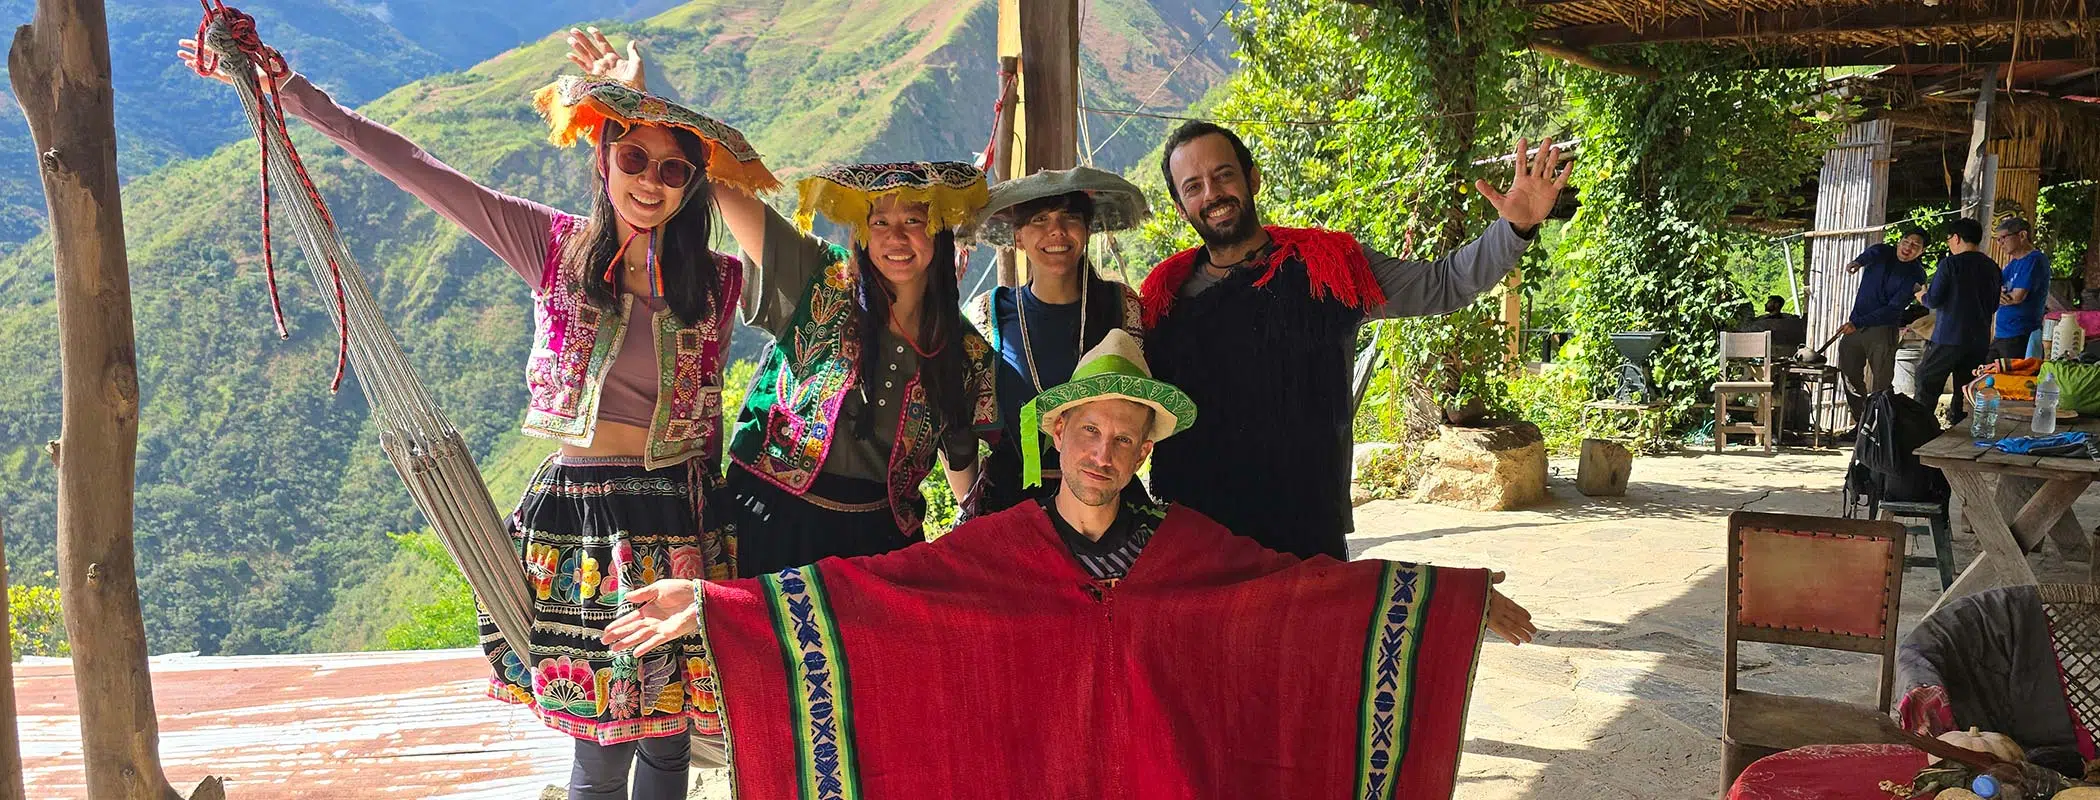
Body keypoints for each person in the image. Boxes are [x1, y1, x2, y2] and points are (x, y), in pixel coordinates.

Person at [178, 35, 769, 799]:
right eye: (632, 159)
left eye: (672, 170)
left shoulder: (718, 282)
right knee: (598, 739)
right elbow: (422, 171)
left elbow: (798, 274)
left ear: (693, 185)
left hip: (681, 515)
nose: (649, 183)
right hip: (582, 521)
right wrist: (294, 94)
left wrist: (646, 99)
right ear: (602, 159)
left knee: (667, 735)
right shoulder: (553, 248)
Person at [602, 330, 1537, 797]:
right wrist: (721, 603)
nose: (1103, 451)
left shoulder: (1191, 549)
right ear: (1056, 436)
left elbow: (1301, 594)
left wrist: (1445, 605)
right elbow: (871, 595)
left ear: (1142, 452)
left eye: (1122, 438)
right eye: (1087, 431)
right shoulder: (995, 549)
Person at [566, 34, 999, 576]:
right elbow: (726, 187)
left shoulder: (964, 350)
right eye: (879, 222)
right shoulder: (822, 278)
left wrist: (977, 539)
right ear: (860, 235)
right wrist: (644, 108)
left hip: (878, 543)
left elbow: (961, 450)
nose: (896, 238)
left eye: (913, 221)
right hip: (767, 520)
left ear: (938, 232)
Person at [1140, 121, 1564, 561]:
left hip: (1302, 537)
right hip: (1193, 543)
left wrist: (1513, 231)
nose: (1212, 194)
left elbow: (1443, 283)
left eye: (1224, 174)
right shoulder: (1163, 298)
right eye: (1194, 186)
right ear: (1179, 205)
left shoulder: (1327, 268)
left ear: (1252, 178)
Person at [964, 166, 1149, 514]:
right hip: (1009, 504)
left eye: (1070, 217)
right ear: (1018, 235)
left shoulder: (1120, 307)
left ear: (1087, 228)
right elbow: (958, 429)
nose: (1057, 231)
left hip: (1105, 503)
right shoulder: (989, 314)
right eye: (1039, 219)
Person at [1916, 218, 2002, 425]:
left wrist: (1921, 296)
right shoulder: (1992, 267)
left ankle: (1920, 428)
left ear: (1956, 238)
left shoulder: (1950, 264)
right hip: (1979, 339)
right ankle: (1960, 427)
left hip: (1949, 336)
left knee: (1926, 380)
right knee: (1967, 389)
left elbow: (1934, 299)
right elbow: (1993, 306)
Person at [1838, 226, 1929, 419]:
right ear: (1899, 241)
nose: (1908, 248)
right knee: (1849, 374)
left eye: (1915, 246)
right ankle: (1861, 422)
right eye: (1906, 242)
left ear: (1922, 251)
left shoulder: (1916, 274)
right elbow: (1872, 252)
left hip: (1882, 329)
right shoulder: (1882, 252)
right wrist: (1857, 262)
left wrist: (1858, 322)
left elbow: (1894, 308)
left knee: (1882, 382)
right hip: (1855, 325)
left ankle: (1881, 426)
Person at [1992, 217, 2051, 360]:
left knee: (2011, 380)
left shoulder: (2034, 259)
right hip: (2002, 333)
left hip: (2020, 334)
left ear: (2022, 235)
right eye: (1998, 240)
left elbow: (2017, 297)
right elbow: (1994, 289)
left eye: (2003, 238)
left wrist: (1998, 296)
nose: (2000, 244)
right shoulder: (2013, 263)